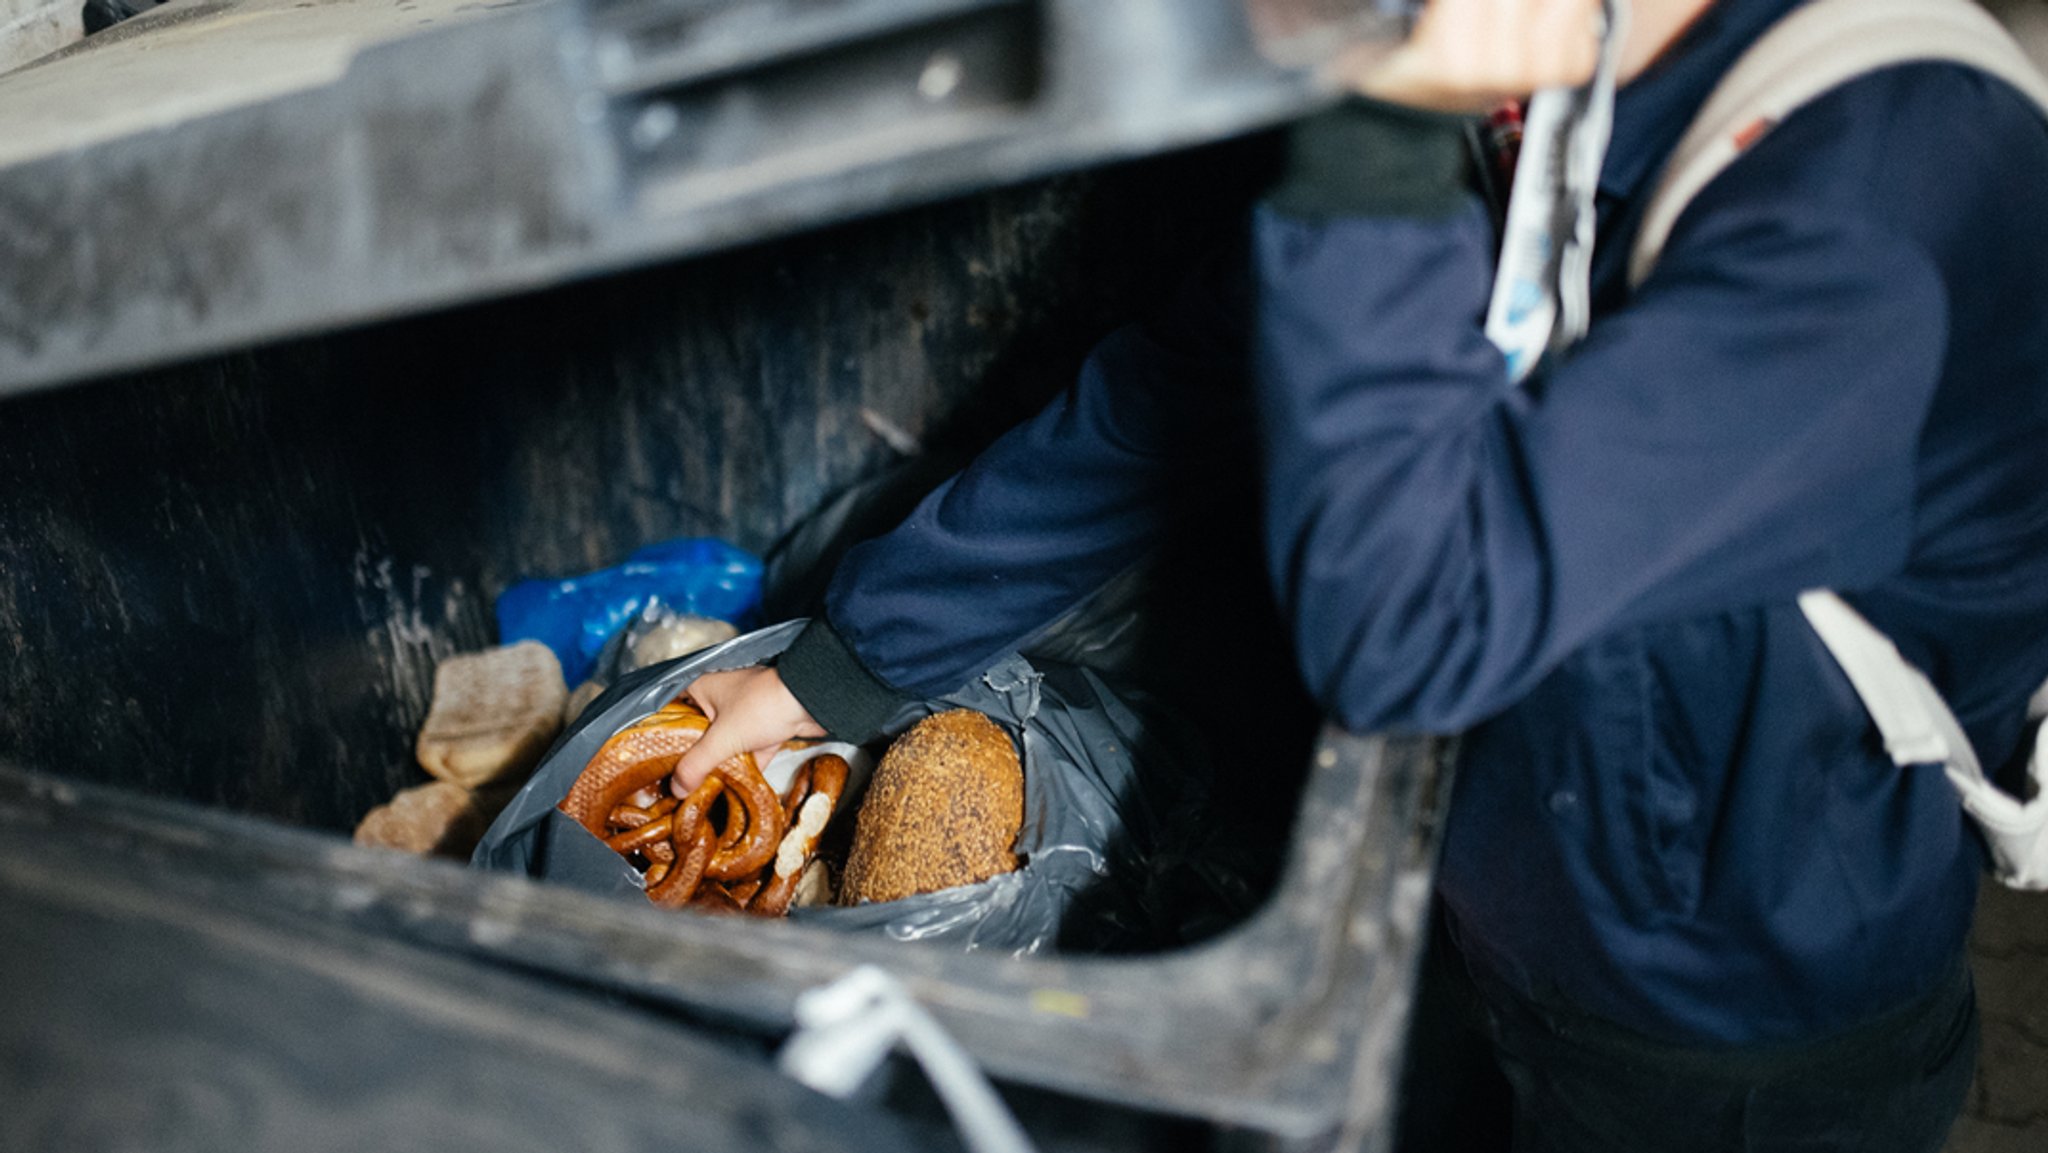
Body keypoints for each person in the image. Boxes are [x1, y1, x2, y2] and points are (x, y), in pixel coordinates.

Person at [673, 0, 2048, 1147]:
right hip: (1501, 875)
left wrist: (1373, 138)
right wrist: (840, 667)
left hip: (1728, 1030)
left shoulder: (1869, 214)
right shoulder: (1551, 83)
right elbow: (1198, 378)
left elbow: (1406, 628)